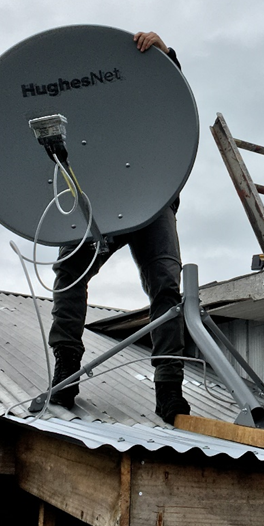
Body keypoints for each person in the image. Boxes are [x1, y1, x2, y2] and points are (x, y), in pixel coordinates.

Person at [48, 31, 190, 424]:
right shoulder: (78, 100)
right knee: (71, 270)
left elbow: (174, 100)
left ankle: (169, 388)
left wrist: (166, 54)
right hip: (101, 199)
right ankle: (66, 370)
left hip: (151, 197)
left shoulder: (140, 95)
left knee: (166, 285)